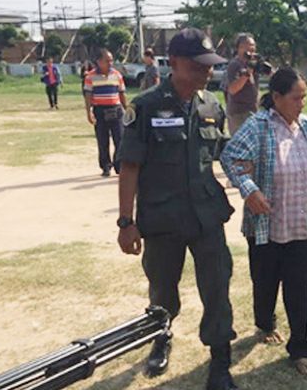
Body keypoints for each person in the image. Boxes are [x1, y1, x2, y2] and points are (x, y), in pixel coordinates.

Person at [116, 28, 238, 390]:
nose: (208, 72)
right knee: (163, 289)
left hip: (206, 214)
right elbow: (130, 166)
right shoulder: (146, 106)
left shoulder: (210, 104)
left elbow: (225, 154)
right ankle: (161, 336)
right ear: (177, 63)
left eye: (210, 66)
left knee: (217, 287)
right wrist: (126, 221)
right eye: (200, 66)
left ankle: (220, 360)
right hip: (162, 217)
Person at [220, 67, 307, 377]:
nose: (302, 103)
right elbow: (230, 157)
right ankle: (265, 323)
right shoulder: (259, 125)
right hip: (268, 225)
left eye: (305, 97)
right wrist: (249, 190)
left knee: (299, 287)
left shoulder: (306, 127)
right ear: (276, 97)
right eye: (296, 97)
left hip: (303, 225)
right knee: (265, 281)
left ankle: (300, 348)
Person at [83, 49, 128, 177]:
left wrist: (127, 110)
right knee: (102, 141)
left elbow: (122, 93)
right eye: (107, 61)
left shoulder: (117, 75)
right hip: (100, 111)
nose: (110, 63)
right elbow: (88, 96)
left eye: (111, 60)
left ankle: (119, 165)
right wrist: (88, 112)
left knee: (120, 139)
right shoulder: (90, 76)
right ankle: (106, 166)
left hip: (116, 110)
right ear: (99, 62)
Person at [225, 33, 259, 135]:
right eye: (248, 46)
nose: (251, 49)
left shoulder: (253, 63)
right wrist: (247, 74)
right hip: (238, 113)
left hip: (253, 111)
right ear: (240, 48)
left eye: (253, 47)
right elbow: (232, 89)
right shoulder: (235, 65)